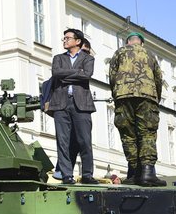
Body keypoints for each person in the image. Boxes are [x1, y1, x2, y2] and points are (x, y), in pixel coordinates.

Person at [108, 31, 165, 186]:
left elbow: (112, 76)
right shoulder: (150, 54)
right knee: (147, 133)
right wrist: (156, 98)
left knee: (128, 135)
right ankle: (147, 173)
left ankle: (134, 173)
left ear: (128, 43)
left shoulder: (119, 53)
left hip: (123, 96)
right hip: (146, 96)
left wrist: (117, 94)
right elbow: (158, 79)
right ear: (141, 43)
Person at [48, 28, 97, 184]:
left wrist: (66, 75)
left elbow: (87, 75)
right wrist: (76, 72)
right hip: (61, 104)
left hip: (81, 104)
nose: (64, 40)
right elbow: (56, 73)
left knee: (84, 140)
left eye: (67, 38)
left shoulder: (88, 58)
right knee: (62, 141)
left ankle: (87, 174)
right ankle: (66, 174)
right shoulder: (58, 58)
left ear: (77, 41)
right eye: (63, 38)